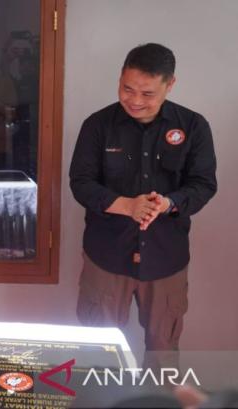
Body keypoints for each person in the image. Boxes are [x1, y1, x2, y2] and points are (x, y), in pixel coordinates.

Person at [69, 43, 217, 369]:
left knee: (163, 354)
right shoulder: (98, 125)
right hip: (106, 257)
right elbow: (80, 182)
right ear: (120, 79)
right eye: (127, 88)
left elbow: (203, 184)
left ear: (170, 84)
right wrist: (126, 205)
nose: (135, 100)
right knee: (100, 356)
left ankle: (156, 397)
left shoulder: (193, 126)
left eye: (147, 93)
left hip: (166, 258)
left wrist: (168, 203)